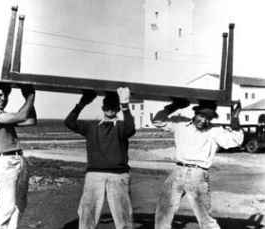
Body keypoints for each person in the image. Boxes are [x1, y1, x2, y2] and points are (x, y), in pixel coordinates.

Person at [152, 99, 244, 229]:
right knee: (164, 211)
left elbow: (236, 140)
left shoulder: (215, 131)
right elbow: (157, 121)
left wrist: (235, 119)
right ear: (195, 113)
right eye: (202, 115)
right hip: (178, 171)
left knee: (205, 218)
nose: (204, 120)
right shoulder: (181, 123)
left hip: (198, 175)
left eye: (208, 118)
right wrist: (174, 106)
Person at [64, 87, 136, 229]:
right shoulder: (91, 126)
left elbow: (131, 128)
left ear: (118, 109)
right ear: (103, 108)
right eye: (108, 106)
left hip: (119, 176)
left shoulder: (122, 127)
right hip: (94, 176)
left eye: (114, 106)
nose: (111, 109)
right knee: (87, 217)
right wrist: (82, 103)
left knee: (124, 218)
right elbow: (69, 122)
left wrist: (125, 104)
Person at [0, 83, 37, 229]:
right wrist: (30, 97)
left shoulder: (3, 116)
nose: (3, 98)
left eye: (5, 96)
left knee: (19, 205)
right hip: (5, 162)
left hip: (17, 160)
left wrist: (28, 98)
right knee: (7, 207)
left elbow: (31, 121)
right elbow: (22, 115)